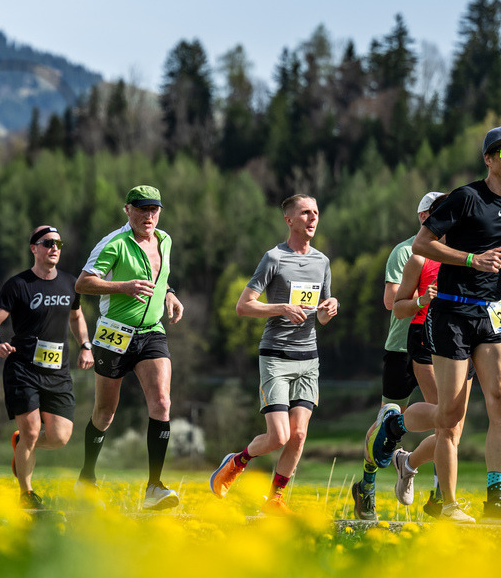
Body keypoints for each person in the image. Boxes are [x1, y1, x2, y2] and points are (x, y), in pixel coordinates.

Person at [370, 127, 501, 523]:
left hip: (491, 314)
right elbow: (422, 244)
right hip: (452, 315)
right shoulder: (467, 198)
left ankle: (494, 497)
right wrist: (470, 260)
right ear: (488, 159)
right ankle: (445, 502)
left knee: (499, 399)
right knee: (450, 416)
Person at [209, 194, 338, 515]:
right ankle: (236, 462)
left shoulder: (322, 262)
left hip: (309, 358)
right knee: (278, 435)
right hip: (276, 357)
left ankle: (275, 499)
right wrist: (280, 307)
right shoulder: (274, 259)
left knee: (299, 434)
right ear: (289, 220)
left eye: (316, 213)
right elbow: (244, 306)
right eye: (305, 213)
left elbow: (319, 315)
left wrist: (329, 309)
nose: (312, 218)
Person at [74, 185, 185, 511]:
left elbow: (159, 275)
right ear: (127, 210)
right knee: (105, 413)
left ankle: (154, 487)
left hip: (151, 333)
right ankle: (87, 478)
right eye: (141, 209)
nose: (148, 216)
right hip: (114, 336)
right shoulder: (115, 244)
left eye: (154, 209)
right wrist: (122, 286)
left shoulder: (165, 240)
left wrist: (169, 293)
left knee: (162, 403)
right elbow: (83, 283)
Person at [0, 225, 94, 509]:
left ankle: (21, 444)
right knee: (32, 431)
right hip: (23, 368)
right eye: (47, 243)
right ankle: (27, 494)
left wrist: (85, 345)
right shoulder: (18, 285)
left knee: (59, 437)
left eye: (58, 243)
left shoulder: (71, 283)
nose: (54, 248)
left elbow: (76, 316)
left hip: (58, 371)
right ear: (34, 248)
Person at [350, 191, 444, 521]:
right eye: (436, 210)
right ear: (423, 217)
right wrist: (426, 296)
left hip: (441, 348)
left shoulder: (456, 252)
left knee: (445, 419)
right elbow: (392, 302)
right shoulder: (405, 251)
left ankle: (438, 492)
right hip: (402, 345)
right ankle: (367, 484)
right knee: (386, 423)